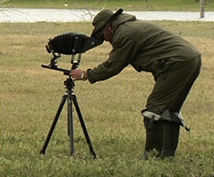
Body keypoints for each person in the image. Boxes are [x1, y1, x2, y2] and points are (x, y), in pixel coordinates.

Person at [68, 9, 201, 159]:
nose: (105, 39)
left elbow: (113, 66)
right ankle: (166, 156)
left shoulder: (124, 34)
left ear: (109, 27)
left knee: (154, 109)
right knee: (169, 110)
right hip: (191, 59)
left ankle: (151, 156)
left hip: (177, 63)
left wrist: (86, 74)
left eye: (102, 34)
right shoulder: (130, 27)